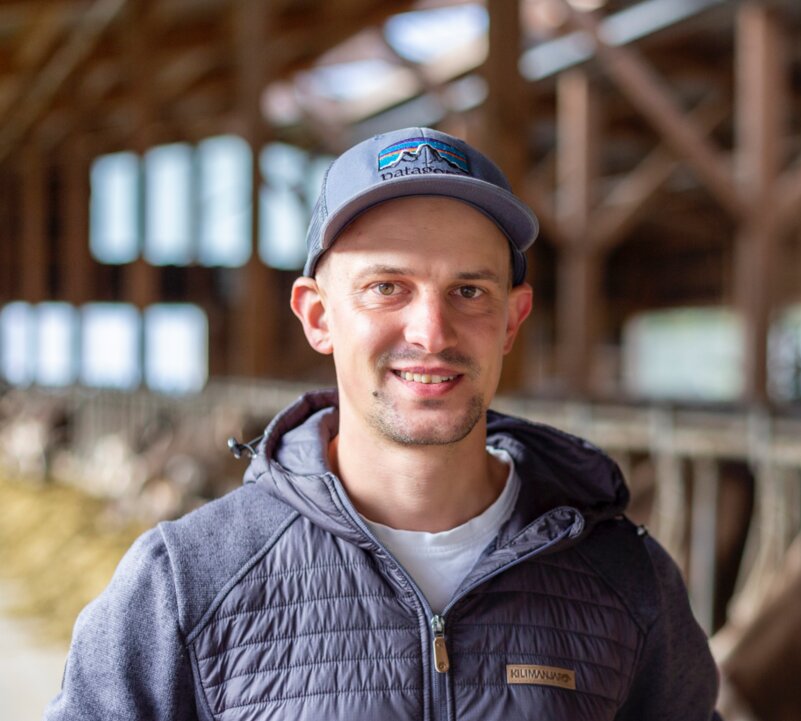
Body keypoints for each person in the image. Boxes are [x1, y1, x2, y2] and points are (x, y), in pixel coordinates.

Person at [45, 127, 721, 720]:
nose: (430, 332)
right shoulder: (187, 580)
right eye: (385, 287)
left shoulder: (626, 579)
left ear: (512, 319)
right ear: (317, 316)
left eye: (468, 290)